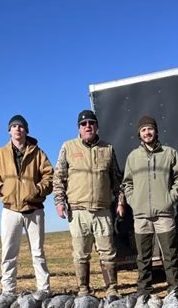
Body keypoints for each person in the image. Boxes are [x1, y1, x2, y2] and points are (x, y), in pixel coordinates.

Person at [53, 110, 124, 296]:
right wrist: (59, 202)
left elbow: (117, 179)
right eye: (83, 124)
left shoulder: (108, 148)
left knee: (108, 253)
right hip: (78, 211)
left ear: (97, 126)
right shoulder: (68, 147)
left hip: (102, 211)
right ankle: (83, 289)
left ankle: (112, 289)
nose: (88, 127)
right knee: (81, 254)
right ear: (79, 128)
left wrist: (120, 202)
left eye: (91, 123)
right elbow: (59, 178)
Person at [0, 114, 53, 295]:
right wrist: (2, 190)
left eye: (21, 126)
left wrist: (38, 190)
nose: (18, 129)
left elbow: (49, 176)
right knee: (8, 253)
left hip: (34, 209)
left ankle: (44, 290)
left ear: (26, 130)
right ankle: (8, 292)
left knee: (38, 253)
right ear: (9, 131)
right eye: (14, 126)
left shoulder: (38, 153)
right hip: (10, 210)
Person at [122, 115, 178, 295]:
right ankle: (144, 289)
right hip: (141, 215)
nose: (147, 132)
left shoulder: (169, 153)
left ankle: (174, 288)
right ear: (139, 134)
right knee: (143, 257)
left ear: (156, 131)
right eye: (143, 130)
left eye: (150, 129)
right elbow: (127, 183)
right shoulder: (133, 157)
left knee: (169, 254)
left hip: (164, 214)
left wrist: (169, 199)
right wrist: (134, 202)